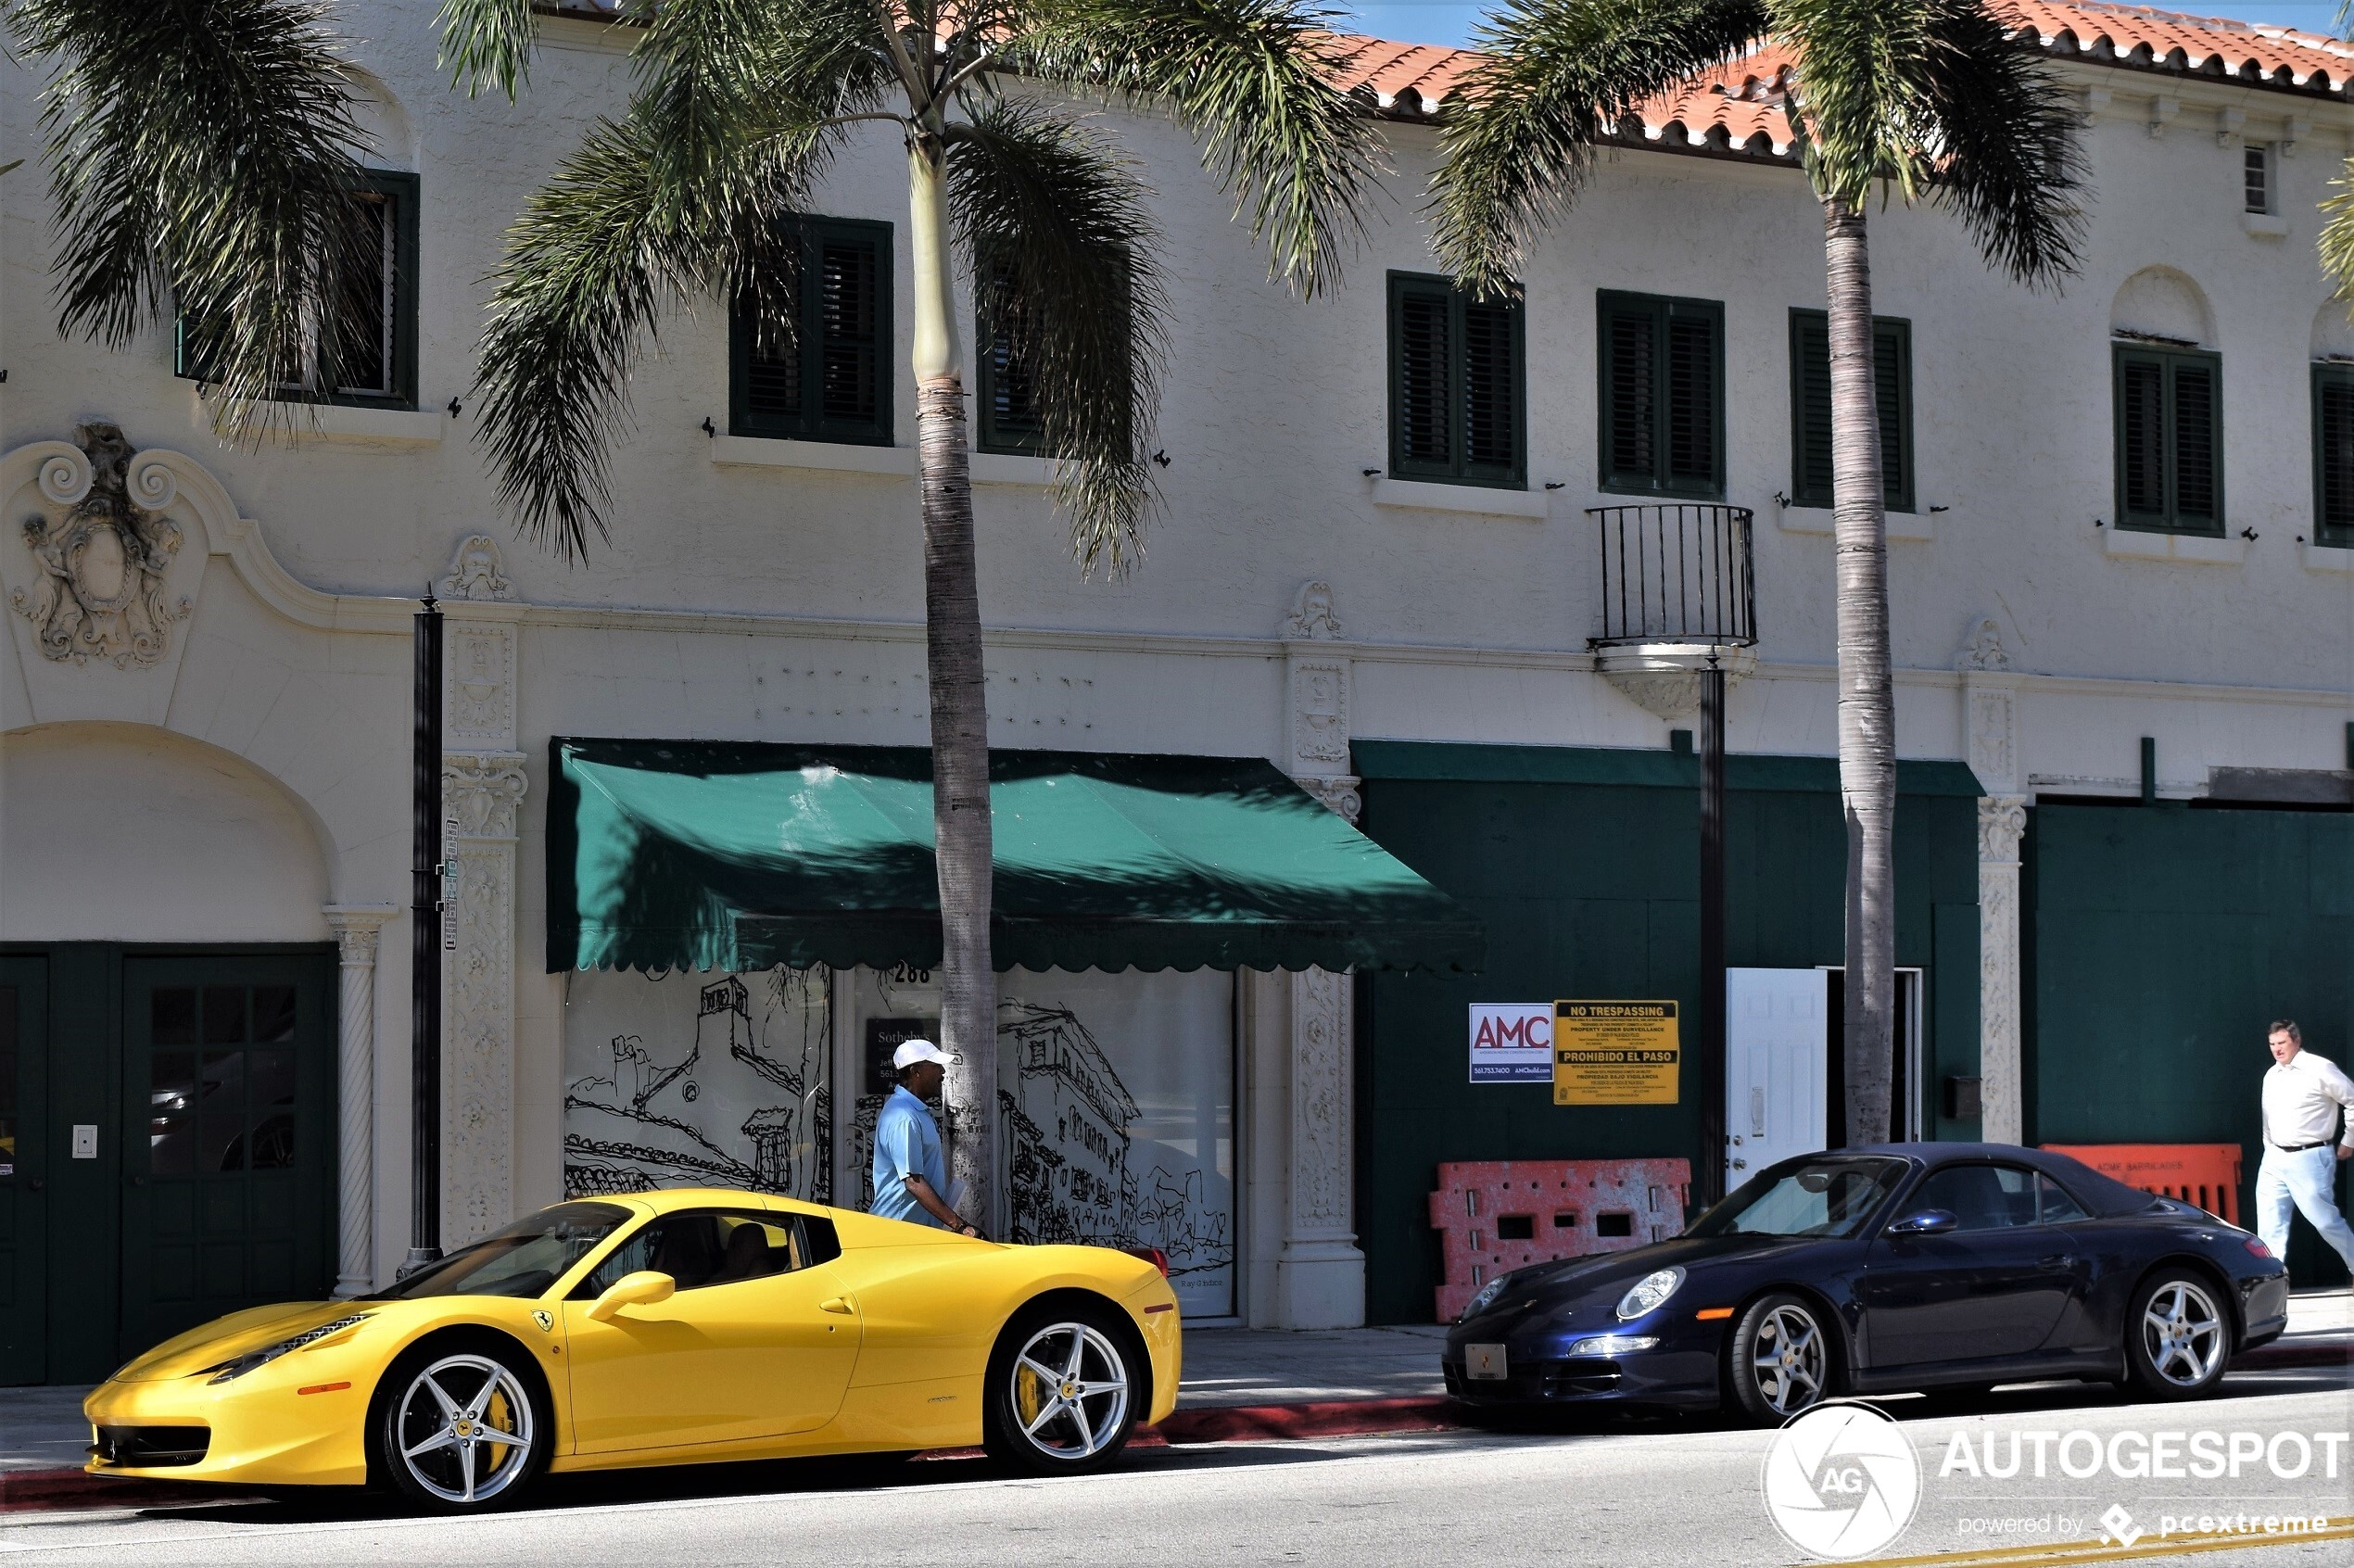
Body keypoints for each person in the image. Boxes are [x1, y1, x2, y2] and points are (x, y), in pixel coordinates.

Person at [2257, 1018, 2354, 1281]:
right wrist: (2270, 1148)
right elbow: (2268, 1116)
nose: (2277, 1049)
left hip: (2310, 1156)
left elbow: (2352, 1098)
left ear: (2296, 1041)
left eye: (2282, 1043)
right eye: (2272, 1044)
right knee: (2269, 1227)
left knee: (2325, 1222)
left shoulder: (2319, 1068)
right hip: (2275, 1158)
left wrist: (2349, 1139)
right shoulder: (2271, 1074)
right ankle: (2270, 1283)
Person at [870, 1039, 981, 1237]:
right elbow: (913, 1181)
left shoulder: (916, 1111)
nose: (943, 1072)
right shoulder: (904, 1117)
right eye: (936, 1066)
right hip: (897, 1232)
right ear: (916, 1071)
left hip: (915, 1231)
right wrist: (960, 1225)